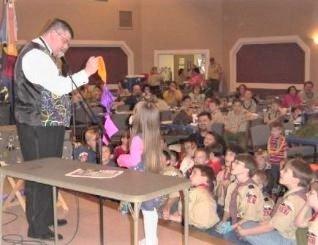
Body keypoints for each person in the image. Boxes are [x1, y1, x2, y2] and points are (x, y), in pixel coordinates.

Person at [14, 18, 98, 240]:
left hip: (47, 123)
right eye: (66, 41)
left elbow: (51, 91)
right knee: (39, 174)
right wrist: (86, 72)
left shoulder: (44, 55)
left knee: (51, 171)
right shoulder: (34, 55)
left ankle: (47, 216)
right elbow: (59, 87)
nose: (66, 47)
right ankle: (37, 227)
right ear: (55, 35)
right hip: (36, 124)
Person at [236, 158, 313, 245]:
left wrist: (245, 233)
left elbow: (271, 227)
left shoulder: (291, 201)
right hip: (290, 236)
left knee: (245, 226)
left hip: (288, 241)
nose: (281, 171)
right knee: (251, 224)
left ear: (296, 180)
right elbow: (275, 222)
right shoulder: (303, 193)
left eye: (286, 171)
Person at [117, 101, 163, 245]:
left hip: (141, 180)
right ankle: (152, 238)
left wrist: (121, 159)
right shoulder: (154, 136)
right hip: (152, 176)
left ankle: (151, 240)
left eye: (134, 113)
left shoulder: (137, 139)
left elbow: (134, 161)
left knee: (146, 210)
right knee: (151, 210)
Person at [295, 180, 318, 245]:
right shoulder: (315, 216)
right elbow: (298, 223)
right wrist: (307, 204)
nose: (306, 194)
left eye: (311, 193)